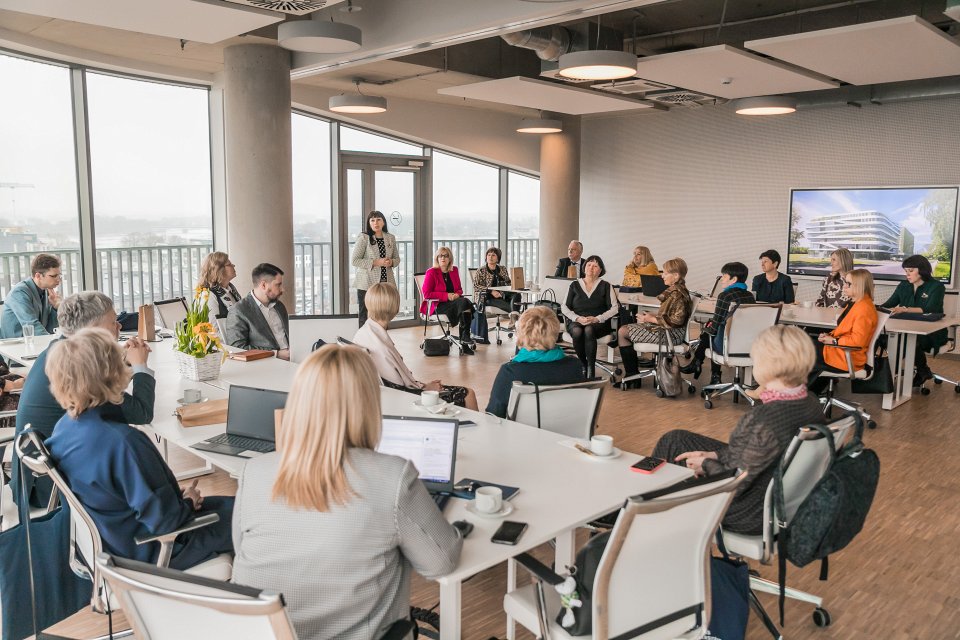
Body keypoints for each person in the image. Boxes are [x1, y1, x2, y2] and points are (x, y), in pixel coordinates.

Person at [231, 345, 463, 640]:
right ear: (368, 403)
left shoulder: (255, 471)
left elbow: (242, 550)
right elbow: (441, 563)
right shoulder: (392, 476)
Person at [45, 327, 233, 569]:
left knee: (234, 507)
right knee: (253, 519)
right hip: (157, 549)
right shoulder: (123, 443)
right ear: (113, 373)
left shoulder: (64, 429)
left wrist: (181, 501)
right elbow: (169, 524)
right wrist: (187, 502)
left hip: (114, 541)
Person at [652, 325, 825, 535]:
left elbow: (735, 480)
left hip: (748, 509)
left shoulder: (764, 420)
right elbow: (755, 454)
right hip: (772, 488)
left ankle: (638, 519)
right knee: (675, 440)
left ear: (770, 366)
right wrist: (715, 455)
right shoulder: (811, 402)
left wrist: (706, 464)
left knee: (669, 467)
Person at [12, 291, 155, 509]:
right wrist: (141, 368)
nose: (119, 327)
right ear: (91, 329)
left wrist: (116, 361)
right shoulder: (82, 367)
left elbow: (104, 397)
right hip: (56, 491)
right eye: (112, 322)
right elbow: (141, 413)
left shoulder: (58, 351)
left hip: (34, 479)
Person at [354, 283, 479, 410]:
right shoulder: (381, 346)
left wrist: (424, 385)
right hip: (407, 399)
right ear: (395, 307)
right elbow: (401, 389)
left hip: (393, 395)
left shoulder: (366, 332)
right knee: (468, 394)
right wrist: (426, 389)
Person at [486, 305, 584, 418]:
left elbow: (493, 416)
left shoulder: (510, 372)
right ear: (556, 332)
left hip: (521, 434)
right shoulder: (574, 365)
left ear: (522, 334)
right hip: (564, 433)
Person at [616, 258, 692, 383]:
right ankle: (632, 376)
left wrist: (651, 318)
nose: (662, 276)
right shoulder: (678, 290)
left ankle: (632, 377)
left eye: (666, 273)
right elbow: (671, 315)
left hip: (670, 335)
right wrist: (653, 316)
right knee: (626, 329)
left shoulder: (677, 294)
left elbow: (676, 321)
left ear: (676, 275)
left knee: (623, 332)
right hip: (668, 332)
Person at [681, 262, 755, 385]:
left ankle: (701, 365)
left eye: (724, 276)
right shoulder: (750, 296)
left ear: (734, 279)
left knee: (709, 332)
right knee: (712, 330)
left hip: (726, 346)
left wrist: (706, 330)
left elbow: (715, 327)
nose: (721, 279)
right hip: (746, 346)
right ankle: (706, 370)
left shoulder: (725, 296)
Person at [808, 268, 879, 394]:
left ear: (859, 286)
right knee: (802, 345)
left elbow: (857, 341)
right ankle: (806, 395)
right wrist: (828, 336)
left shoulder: (864, 309)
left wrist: (834, 340)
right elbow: (845, 330)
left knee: (799, 351)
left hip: (846, 357)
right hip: (840, 351)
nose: (844, 286)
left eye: (848, 284)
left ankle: (798, 397)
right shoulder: (856, 304)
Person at [881, 255, 947, 387]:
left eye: (911, 270)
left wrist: (905, 309)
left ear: (922, 270)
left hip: (931, 332)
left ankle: (887, 374)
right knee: (889, 338)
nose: (907, 274)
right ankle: (921, 370)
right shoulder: (903, 285)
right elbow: (889, 304)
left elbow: (930, 308)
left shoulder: (937, 286)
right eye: (906, 271)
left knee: (907, 339)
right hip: (906, 330)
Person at [561, 255, 618, 379]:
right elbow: (564, 307)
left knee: (589, 329)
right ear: (584, 267)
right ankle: (584, 364)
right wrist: (577, 318)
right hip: (577, 320)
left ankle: (591, 370)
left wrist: (598, 318)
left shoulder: (606, 286)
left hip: (599, 323)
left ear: (600, 270)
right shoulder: (574, 285)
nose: (591, 268)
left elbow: (615, 308)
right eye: (589, 264)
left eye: (595, 266)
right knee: (577, 331)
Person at [226, 263, 290, 360]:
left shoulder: (279, 306)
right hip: (267, 365)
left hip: (295, 361)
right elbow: (237, 349)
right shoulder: (239, 311)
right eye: (278, 285)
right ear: (263, 285)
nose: (282, 289)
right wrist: (276, 354)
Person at [420, 246, 475, 355]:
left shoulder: (454, 270)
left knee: (464, 302)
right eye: (440, 256)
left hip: (454, 303)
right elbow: (427, 294)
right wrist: (446, 296)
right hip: (437, 305)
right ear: (437, 258)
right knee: (465, 303)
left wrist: (456, 295)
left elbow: (459, 289)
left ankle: (464, 339)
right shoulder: (431, 272)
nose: (443, 258)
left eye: (446, 256)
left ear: (450, 258)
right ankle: (464, 340)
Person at [351, 210, 400, 327]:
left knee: (385, 313)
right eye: (372, 220)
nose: (375, 223)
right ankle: (363, 341)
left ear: (383, 222)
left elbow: (397, 259)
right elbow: (355, 260)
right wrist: (376, 262)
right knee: (365, 313)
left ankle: (382, 338)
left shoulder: (390, 238)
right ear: (369, 223)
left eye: (378, 219)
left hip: (386, 282)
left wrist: (391, 262)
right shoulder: (364, 238)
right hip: (367, 283)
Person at [1, 253, 61, 338]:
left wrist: (56, 307)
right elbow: (31, 325)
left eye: (59, 275)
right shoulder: (19, 292)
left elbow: (50, 329)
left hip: (33, 343)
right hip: (14, 346)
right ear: (38, 276)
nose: (59, 279)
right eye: (54, 276)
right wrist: (54, 344)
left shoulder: (47, 292)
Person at [472, 246, 520, 337]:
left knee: (517, 294)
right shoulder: (481, 270)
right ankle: (516, 317)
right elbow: (476, 286)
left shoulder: (502, 269)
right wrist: (491, 291)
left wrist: (514, 283)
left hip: (502, 295)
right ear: (486, 257)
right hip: (487, 298)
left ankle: (514, 318)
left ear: (498, 258)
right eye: (488, 255)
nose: (490, 257)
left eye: (493, 255)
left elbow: (508, 283)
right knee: (515, 307)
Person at [197, 251, 241, 320]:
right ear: (218, 270)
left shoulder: (231, 289)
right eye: (229, 264)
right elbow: (213, 328)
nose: (233, 265)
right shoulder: (209, 295)